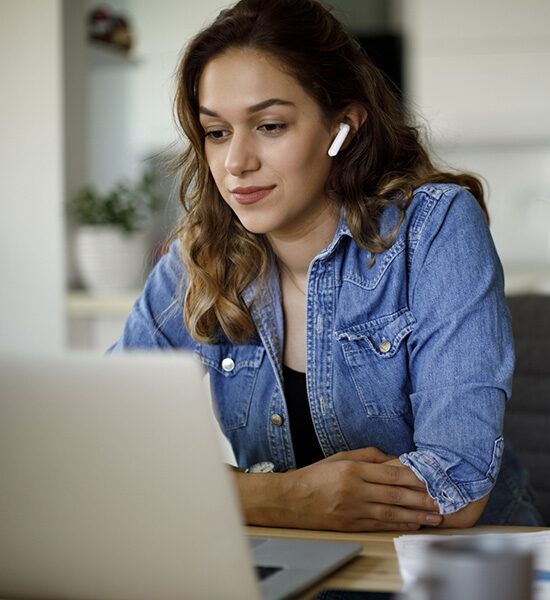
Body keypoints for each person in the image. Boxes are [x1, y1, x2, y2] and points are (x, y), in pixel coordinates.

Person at [110, 0, 543, 533]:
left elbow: (455, 489)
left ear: (343, 126)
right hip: (290, 565)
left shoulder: (434, 228)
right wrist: (277, 497)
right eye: (217, 132)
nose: (235, 162)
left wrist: (219, 492)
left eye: (269, 125)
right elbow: (104, 442)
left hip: (446, 575)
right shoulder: (200, 256)